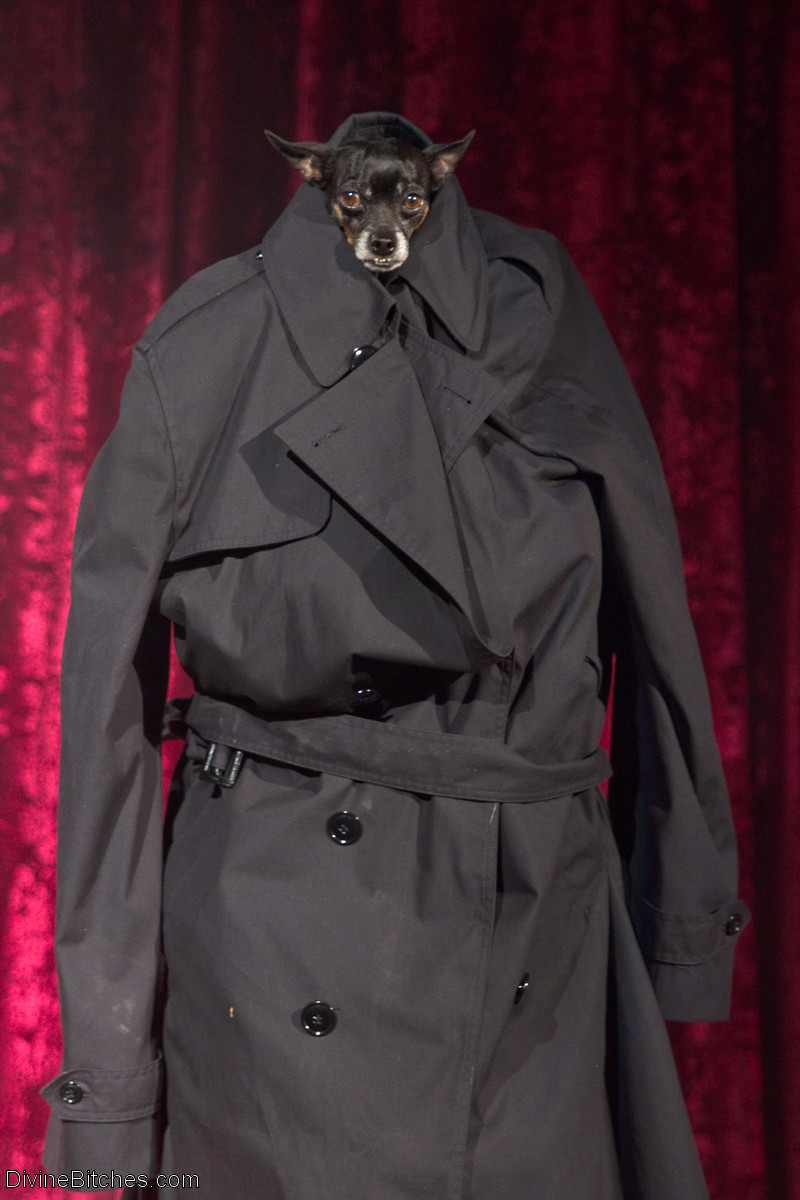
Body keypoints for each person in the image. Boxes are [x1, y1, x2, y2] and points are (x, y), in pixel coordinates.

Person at [42, 112, 749, 1199]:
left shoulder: (540, 310)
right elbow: (105, 708)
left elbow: (653, 604)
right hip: (276, 937)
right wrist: (107, 1083)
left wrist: (681, 910)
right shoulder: (207, 343)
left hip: (529, 929)